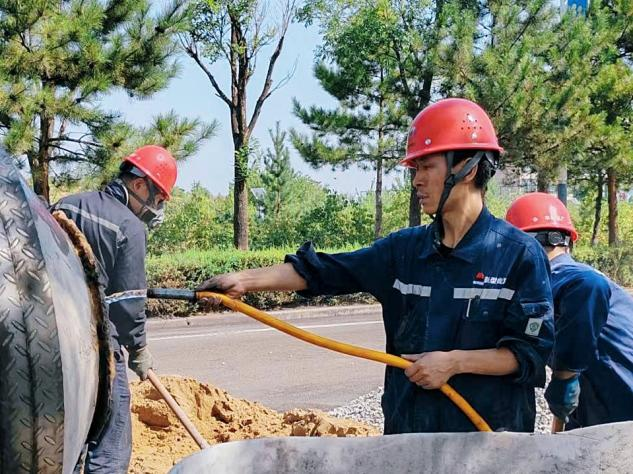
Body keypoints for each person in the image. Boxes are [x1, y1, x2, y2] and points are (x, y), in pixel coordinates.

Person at [198, 98, 554, 433]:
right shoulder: (403, 252)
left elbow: (528, 354)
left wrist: (454, 363)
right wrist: (242, 280)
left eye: (427, 166)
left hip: (488, 446)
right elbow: (323, 270)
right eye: (415, 168)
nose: (416, 179)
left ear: (468, 167)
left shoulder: (518, 255)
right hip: (408, 442)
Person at [53, 145, 177, 472]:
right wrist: (138, 351)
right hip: (99, 344)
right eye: (159, 199)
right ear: (139, 185)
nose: (157, 208)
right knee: (111, 442)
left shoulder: (67, 203)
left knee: (74, 437)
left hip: (54, 339)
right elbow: (127, 306)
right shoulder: (129, 227)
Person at [506, 192, 633, 429]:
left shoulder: (561, 276)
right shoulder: (562, 284)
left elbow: (588, 285)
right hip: (602, 405)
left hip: (622, 403)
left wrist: (565, 376)